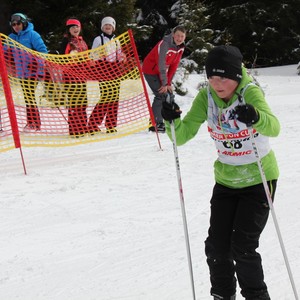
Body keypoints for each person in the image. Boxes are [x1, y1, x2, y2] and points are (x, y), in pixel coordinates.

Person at [161, 45, 280, 300]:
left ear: (237, 76)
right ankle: (222, 296)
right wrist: (171, 120)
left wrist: (255, 115)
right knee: (216, 247)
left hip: (259, 179)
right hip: (226, 182)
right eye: (212, 77)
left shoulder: (251, 93)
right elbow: (180, 136)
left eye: (223, 77)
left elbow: (274, 127)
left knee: (243, 247)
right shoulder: (206, 98)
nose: (217, 84)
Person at [142, 25, 186, 133]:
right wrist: (164, 83)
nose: (179, 38)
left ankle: (168, 119)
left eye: (182, 36)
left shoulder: (180, 48)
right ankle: (155, 123)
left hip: (160, 72)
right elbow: (161, 64)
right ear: (173, 35)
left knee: (169, 94)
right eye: (177, 36)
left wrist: (168, 83)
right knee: (161, 94)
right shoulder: (165, 44)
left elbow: (174, 66)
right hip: (150, 70)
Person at [8, 13, 48, 132]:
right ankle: (32, 122)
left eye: (18, 24)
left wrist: (37, 63)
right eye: (13, 24)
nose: (16, 26)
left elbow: (43, 51)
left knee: (29, 96)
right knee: (28, 97)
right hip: (21, 73)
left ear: (24, 23)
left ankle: (34, 123)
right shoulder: (12, 37)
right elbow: (3, 49)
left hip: (32, 71)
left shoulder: (32, 35)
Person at [87, 16, 126, 134]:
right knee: (105, 96)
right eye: (105, 25)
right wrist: (97, 57)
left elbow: (119, 54)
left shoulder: (116, 40)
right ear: (102, 27)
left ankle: (111, 125)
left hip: (114, 69)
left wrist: (122, 57)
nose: (108, 27)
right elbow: (93, 54)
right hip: (103, 68)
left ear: (113, 27)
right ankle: (93, 123)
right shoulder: (98, 39)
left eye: (110, 25)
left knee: (114, 97)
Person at [59, 18, 89, 137]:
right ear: (68, 30)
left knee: (83, 102)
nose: (75, 29)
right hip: (70, 77)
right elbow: (62, 58)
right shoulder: (67, 42)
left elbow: (86, 56)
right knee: (74, 103)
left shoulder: (82, 41)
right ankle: (74, 129)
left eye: (77, 27)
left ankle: (82, 127)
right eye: (72, 28)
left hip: (82, 76)